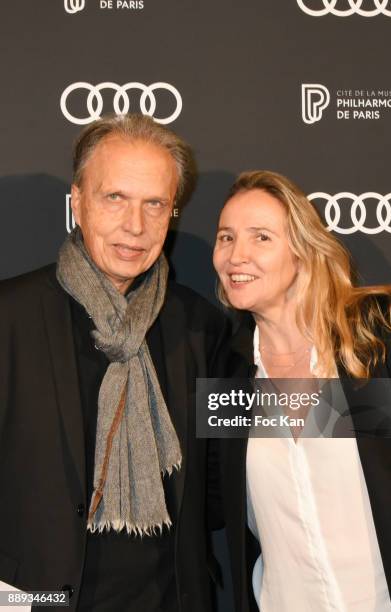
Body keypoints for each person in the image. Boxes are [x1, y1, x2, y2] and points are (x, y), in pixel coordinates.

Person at [0, 113, 230, 612]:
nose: (135, 226)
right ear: (78, 201)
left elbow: (221, 483)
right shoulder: (9, 318)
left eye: (155, 204)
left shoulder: (199, 326)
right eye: (115, 198)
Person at [212, 170, 391, 612]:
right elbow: (223, 513)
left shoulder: (380, 335)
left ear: (302, 251)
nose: (236, 255)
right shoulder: (227, 372)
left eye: (261, 237)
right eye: (226, 238)